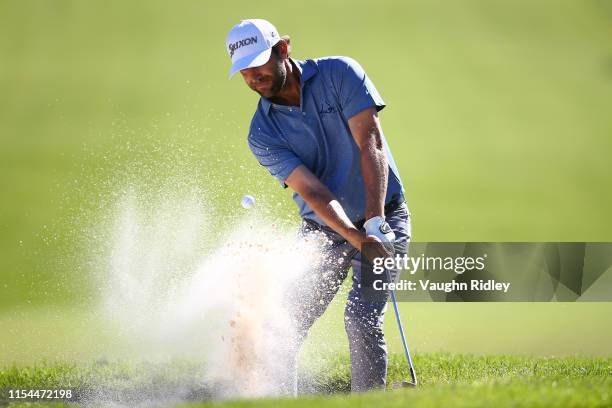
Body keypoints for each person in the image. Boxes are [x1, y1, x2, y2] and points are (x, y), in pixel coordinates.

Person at [225, 19, 411, 394]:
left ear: (283, 50)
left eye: (259, 64)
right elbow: (313, 192)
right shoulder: (262, 133)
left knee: (361, 318)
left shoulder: (339, 73)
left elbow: (370, 143)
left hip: (386, 216)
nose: (254, 78)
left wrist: (374, 226)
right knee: (284, 321)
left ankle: (368, 400)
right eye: (245, 71)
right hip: (323, 231)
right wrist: (356, 237)